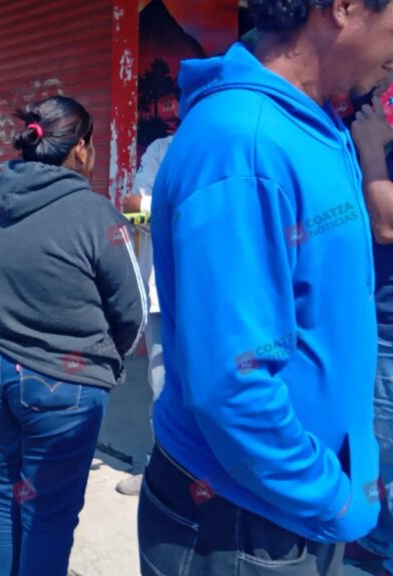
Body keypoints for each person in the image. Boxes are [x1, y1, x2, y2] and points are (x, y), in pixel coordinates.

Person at [139, 1, 393, 574]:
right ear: (345, 8)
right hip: (245, 521)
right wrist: (334, 499)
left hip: (290, 507)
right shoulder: (244, 142)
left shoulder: (313, 123)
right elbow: (233, 384)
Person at [0, 96, 147, 576]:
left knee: (3, 494)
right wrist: (104, 362)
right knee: (47, 515)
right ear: (81, 148)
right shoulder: (98, 217)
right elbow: (131, 314)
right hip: (63, 385)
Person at [348, 88, 393, 576]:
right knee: (376, 444)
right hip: (372, 320)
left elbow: (387, 227)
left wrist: (372, 151)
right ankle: (378, 538)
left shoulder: (377, 144)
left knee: (385, 448)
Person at [116, 133, 173, 496]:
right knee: (162, 384)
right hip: (161, 294)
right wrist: (161, 208)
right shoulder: (161, 150)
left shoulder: (228, 144)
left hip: (213, 298)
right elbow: (135, 208)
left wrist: (157, 207)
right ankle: (163, 471)